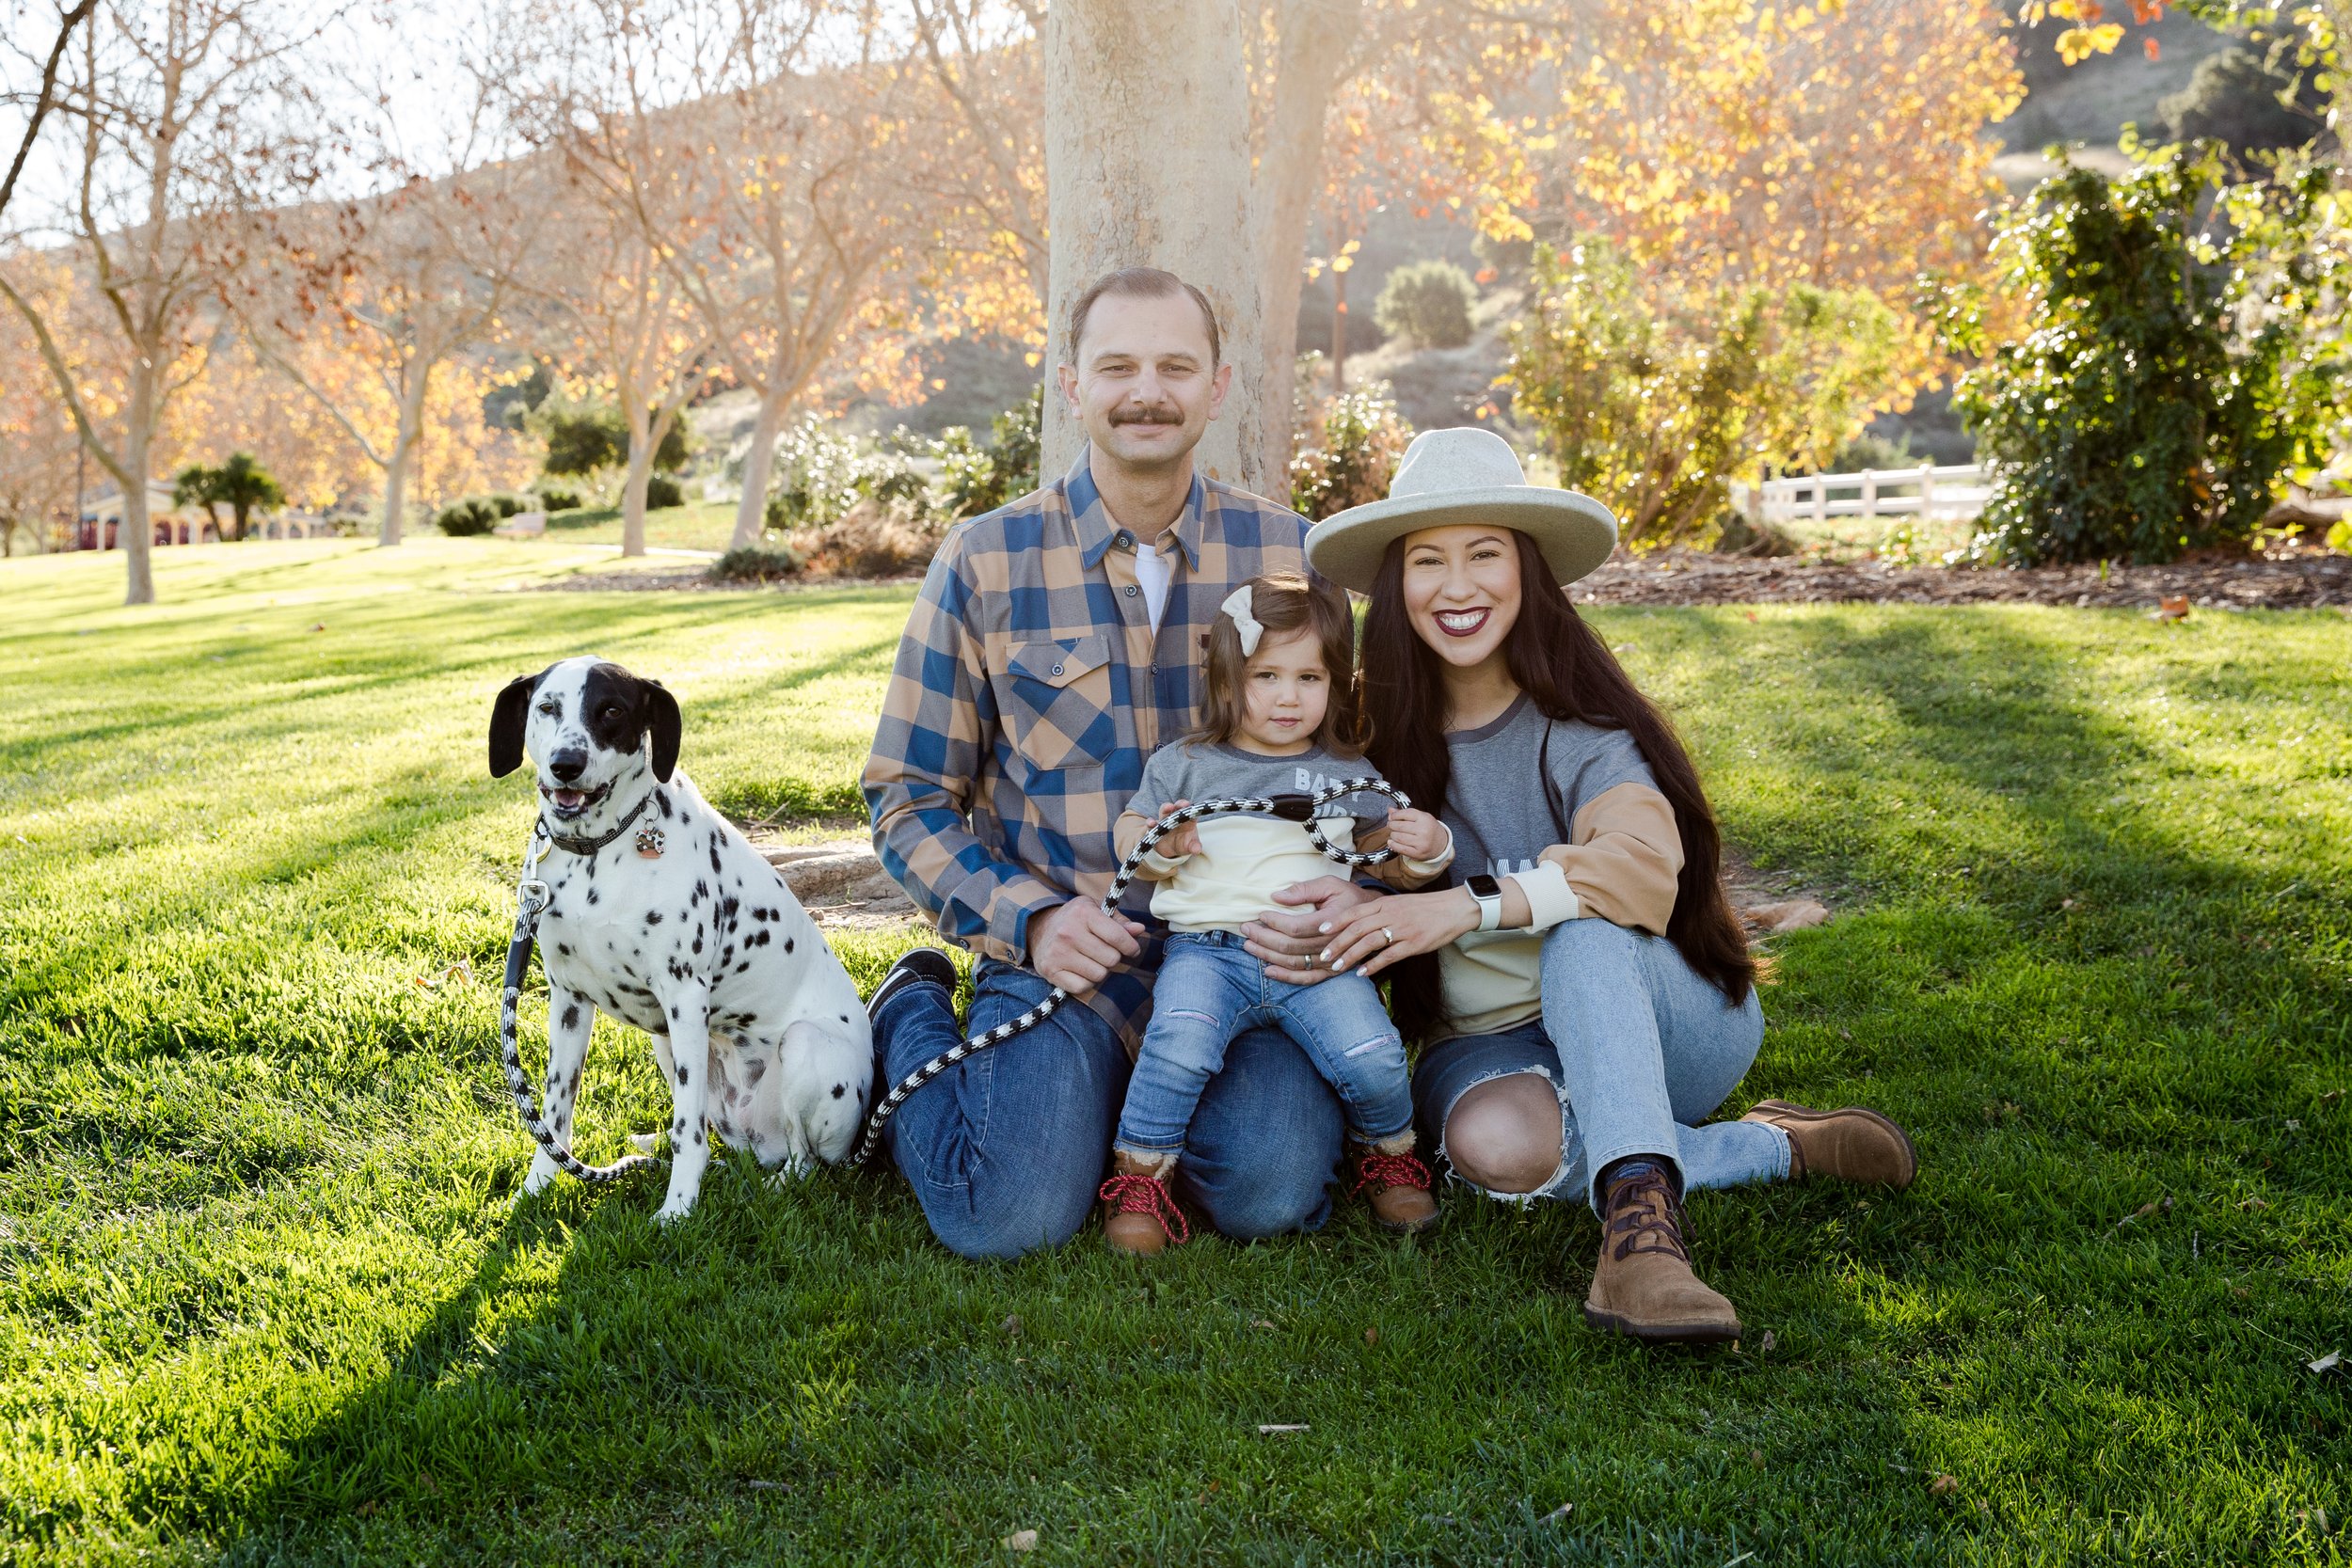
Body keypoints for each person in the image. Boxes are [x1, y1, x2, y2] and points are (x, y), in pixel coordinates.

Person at [1266, 426, 1918, 1344]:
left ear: (1527, 571)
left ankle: (1641, 1241)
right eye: (1428, 560)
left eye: (1484, 553)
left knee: (1587, 924)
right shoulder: (1362, 730)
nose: (1457, 586)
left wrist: (1465, 901)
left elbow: (1638, 865)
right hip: (1486, 1039)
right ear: (1395, 581)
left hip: (1665, 1019)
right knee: (1492, 1150)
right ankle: (1769, 1144)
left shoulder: (1580, 723)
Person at [861, 267, 1361, 1259]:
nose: (1148, 390)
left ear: (1217, 386)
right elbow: (907, 795)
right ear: (1071, 383)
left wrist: (1346, 889)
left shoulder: (1291, 554)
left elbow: (1356, 766)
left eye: (1176, 365)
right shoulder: (986, 559)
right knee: (1000, 1218)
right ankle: (907, 1005)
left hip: (1244, 967)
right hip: (1066, 969)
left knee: (1270, 1191)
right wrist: (1031, 918)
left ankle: (1133, 1129)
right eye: (1118, 365)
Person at [1097, 572, 1454, 1255]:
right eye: (1267, 675)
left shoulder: (1347, 775)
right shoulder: (1187, 765)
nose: (1289, 696)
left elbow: (1390, 866)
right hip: (1206, 951)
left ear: (1334, 685)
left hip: (1317, 954)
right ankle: (1141, 1178)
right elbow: (1131, 835)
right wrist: (1161, 841)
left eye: (1309, 678)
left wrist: (1428, 847)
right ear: (1229, 681)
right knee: (1179, 1043)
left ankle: (1386, 1153)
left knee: (1373, 1053)